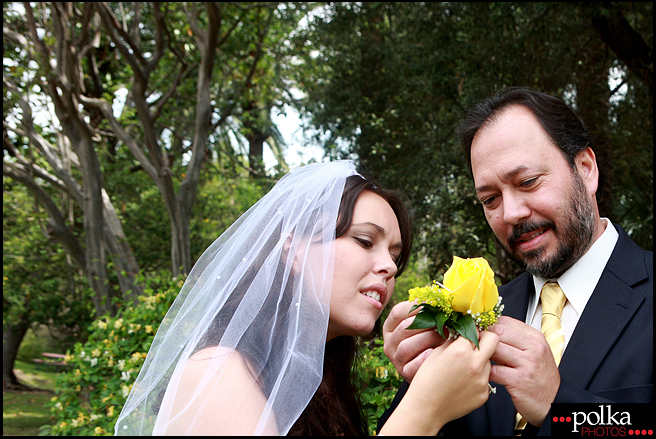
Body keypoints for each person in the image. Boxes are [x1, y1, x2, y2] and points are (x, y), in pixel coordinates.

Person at [114, 160, 499, 436]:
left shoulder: (326, 388)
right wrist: (423, 410)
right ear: (293, 251)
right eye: (365, 240)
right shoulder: (216, 373)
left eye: (396, 256)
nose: (389, 267)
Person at [378, 87, 653, 435]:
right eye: (490, 199)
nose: (511, 213)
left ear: (585, 169)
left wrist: (561, 407)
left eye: (528, 182)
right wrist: (420, 382)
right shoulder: (473, 318)